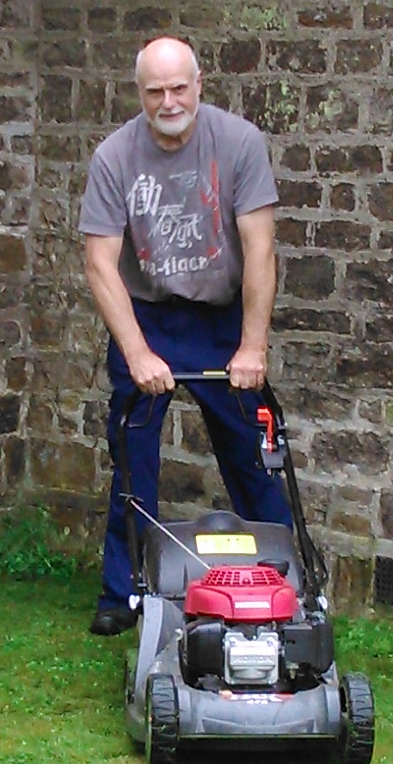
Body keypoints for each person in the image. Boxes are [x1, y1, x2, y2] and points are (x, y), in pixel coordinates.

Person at [79, 35, 292, 634]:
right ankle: (124, 593)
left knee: (252, 456)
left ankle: (282, 581)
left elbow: (260, 250)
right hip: (148, 317)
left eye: (179, 88)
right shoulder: (115, 158)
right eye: (155, 91)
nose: (168, 102)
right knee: (133, 460)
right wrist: (136, 352)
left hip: (220, 319)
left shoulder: (239, 144)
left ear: (199, 85)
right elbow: (100, 264)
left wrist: (252, 346)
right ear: (140, 94)